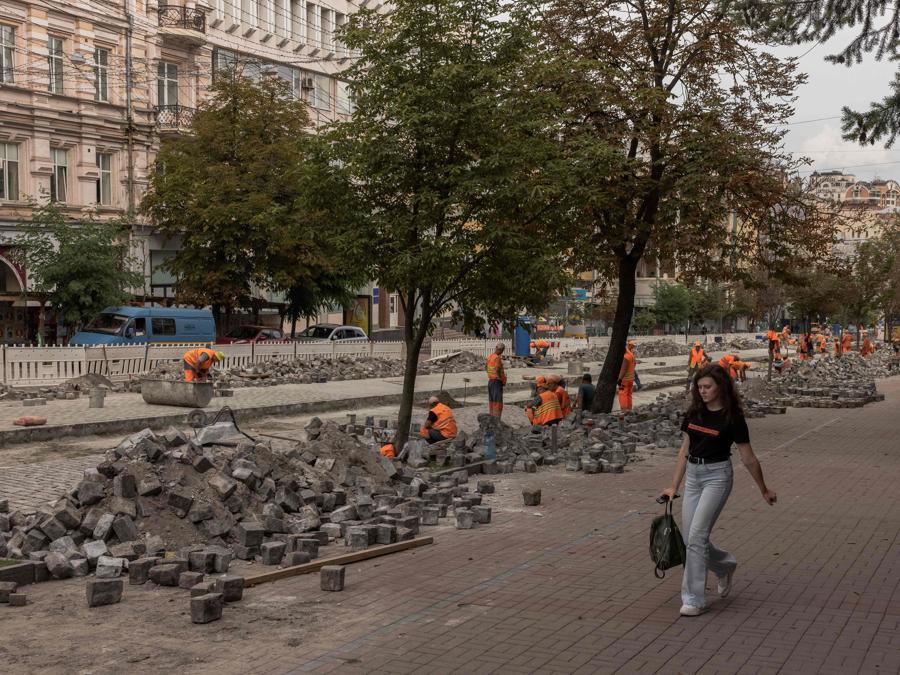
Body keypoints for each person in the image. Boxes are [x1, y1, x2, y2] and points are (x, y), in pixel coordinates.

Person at [659, 364, 776, 617]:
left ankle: (694, 598)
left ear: (721, 387)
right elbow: (684, 451)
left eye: (707, 387)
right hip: (693, 476)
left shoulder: (732, 418)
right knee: (692, 538)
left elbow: (749, 458)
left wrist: (763, 489)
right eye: (699, 387)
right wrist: (673, 485)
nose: (702, 391)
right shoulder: (694, 413)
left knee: (697, 536)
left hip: (717, 477)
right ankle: (724, 566)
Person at [485, 343, 507, 418]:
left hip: (490, 381)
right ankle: (497, 420)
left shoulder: (490, 356)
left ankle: (492, 418)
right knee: (497, 402)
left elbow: (486, 367)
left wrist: (491, 374)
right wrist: (501, 378)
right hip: (497, 382)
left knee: (492, 402)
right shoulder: (497, 358)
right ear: (501, 350)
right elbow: (497, 369)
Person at [617, 339, 637, 411]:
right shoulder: (632, 355)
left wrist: (619, 379)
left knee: (622, 394)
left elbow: (623, 369)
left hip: (624, 380)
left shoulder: (626, 357)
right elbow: (634, 365)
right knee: (629, 394)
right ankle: (629, 409)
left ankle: (624, 410)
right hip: (631, 379)